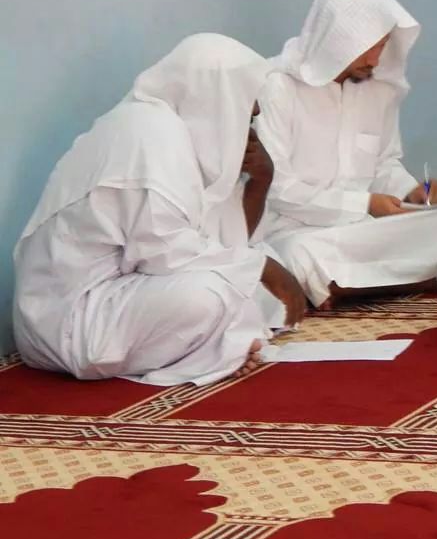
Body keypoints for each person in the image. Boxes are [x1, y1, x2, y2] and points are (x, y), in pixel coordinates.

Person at [13, 34, 306, 385]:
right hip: (70, 321)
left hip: (119, 295)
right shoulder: (147, 134)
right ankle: (217, 353)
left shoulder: (176, 136)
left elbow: (226, 240)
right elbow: (164, 252)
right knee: (209, 296)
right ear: (218, 96)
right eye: (247, 103)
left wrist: (262, 179)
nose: (255, 113)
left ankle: (222, 350)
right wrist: (263, 268)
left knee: (241, 285)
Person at [255, 0, 437, 309]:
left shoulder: (378, 89)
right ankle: (430, 275)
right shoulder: (278, 88)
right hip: (299, 230)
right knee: (297, 255)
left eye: (382, 46)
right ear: (337, 40)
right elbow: (277, 190)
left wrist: (416, 191)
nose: (375, 60)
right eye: (368, 47)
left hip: (368, 230)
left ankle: (350, 287)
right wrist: (365, 204)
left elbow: (384, 164)